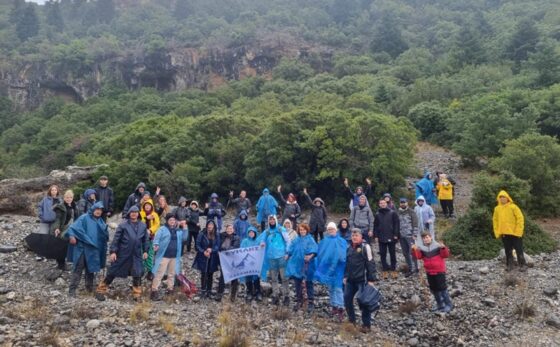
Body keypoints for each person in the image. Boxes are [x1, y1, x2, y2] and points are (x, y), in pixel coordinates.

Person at [95, 206, 149, 301]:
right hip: (123, 253)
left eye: (136, 212)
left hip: (136, 254)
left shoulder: (143, 225)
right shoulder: (123, 225)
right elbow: (116, 240)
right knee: (112, 271)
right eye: (132, 212)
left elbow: (145, 240)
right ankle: (100, 290)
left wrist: (145, 251)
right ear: (129, 213)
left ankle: (137, 295)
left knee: (137, 273)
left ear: (138, 213)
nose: (134, 213)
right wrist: (113, 252)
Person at [66, 201, 109, 297]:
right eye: (97, 209)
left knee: (91, 270)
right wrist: (71, 236)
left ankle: (89, 289)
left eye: (100, 210)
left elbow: (105, 237)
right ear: (93, 209)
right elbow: (72, 228)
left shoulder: (101, 222)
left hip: (93, 250)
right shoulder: (84, 217)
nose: (98, 212)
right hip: (82, 248)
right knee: (78, 269)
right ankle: (72, 291)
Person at [344, 229, 378, 333]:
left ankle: (366, 325)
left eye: (356, 235)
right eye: (353, 235)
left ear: (361, 237)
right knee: (346, 299)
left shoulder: (365, 247)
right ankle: (352, 320)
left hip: (362, 280)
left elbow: (370, 263)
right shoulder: (348, 247)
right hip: (350, 280)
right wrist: (345, 276)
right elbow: (347, 264)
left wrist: (371, 279)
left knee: (364, 302)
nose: (354, 237)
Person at [412, 231, 453, 313]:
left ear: (431, 237)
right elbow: (418, 257)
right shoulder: (422, 248)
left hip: (439, 271)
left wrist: (443, 248)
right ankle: (440, 305)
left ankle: (448, 305)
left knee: (442, 289)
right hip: (429, 272)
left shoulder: (438, 246)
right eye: (424, 238)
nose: (426, 239)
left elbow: (446, 255)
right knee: (434, 289)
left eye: (427, 237)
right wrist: (414, 250)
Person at [314, 222, 347, 322]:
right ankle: (334, 306)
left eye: (332, 229)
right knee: (331, 288)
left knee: (338, 288)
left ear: (336, 230)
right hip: (328, 268)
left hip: (338, 268)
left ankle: (341, 307)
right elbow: (320, 253)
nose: (330, 231)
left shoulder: (341, 241)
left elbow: (344, 255)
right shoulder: (324, 241)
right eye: (329, 229)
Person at [151, 213, 185, 301]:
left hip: (174, 256)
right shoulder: (162, 229)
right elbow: (156, 239)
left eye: (173, 220)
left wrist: (185, 228)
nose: (172, 221)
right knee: (159, 273)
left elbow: (184, 238)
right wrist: (156, 244)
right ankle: (154, 291)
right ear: (167, 221)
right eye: (170, 220)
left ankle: (170, 289)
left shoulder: (178, 230)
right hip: (164, 255)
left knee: (171, 274)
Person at [258, 215, 290, 305]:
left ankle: (286, 296)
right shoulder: (267, 231)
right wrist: (262, 243)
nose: (271, 221)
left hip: (282, 256)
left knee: (284, 278)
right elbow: (262, 240)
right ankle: (275, 295)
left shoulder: (281, 229)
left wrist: (287, 252)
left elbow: (288, 241)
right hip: (271, 257)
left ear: (275, 220)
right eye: (270, 220)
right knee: (274, 278)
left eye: (273, 219)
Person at [286, 223, 317, 313]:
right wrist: (288, 254)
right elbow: (291, 248)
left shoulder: (310, 239)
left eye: (303, 229)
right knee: (297, 283)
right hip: (297, 265)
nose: (302, 231)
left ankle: (310, 302)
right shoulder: (296, 239)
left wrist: (310, 256)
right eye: (300, 229)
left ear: (307, 230)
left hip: (308, 265)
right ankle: (299, 301)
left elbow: (315, 250)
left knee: (308, 283)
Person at [493, 190, 526, 272]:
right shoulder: (497, 209)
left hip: (515, 233)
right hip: (504, 233)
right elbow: (495, 221)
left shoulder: (513, 207)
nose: (502, 199)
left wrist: (518, 231)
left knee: (519, 249)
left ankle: (522, 265)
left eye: (503, 197)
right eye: (500, 197)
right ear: (498, 199)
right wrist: (497, 232)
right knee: (507, 250)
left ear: (507, 198)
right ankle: (509, 265)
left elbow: (520, 218)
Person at [50, 190, 79, 270]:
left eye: (70, 197)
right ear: (64, 197)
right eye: (67, 197)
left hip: (72, 229)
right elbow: (57, 219)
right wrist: (57, 228)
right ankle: (61, 264)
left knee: (70, 245)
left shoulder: (75, 206)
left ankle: (69, 262)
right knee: (60, 246)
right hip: (63, 228)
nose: (69, 199)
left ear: (73, 198)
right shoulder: (60, 207)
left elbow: (77, 218)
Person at [193, 220, 221, 298]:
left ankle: (209, 290)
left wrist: (212, 250)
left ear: (214, 226)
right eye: (209, 224)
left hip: (213, 257)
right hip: (203, 256)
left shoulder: (216, 234)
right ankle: (203, 290)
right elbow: (197, 244)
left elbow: (218, 245)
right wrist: (203, 251)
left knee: (210, 274)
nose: (210, 226)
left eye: (211, 225)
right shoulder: (202, 233)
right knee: (203, 273)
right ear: (206, 225)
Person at [374, 199, 400, 280]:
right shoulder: (377, 214)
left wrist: (396, 234)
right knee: (382, 254)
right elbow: (375, 226)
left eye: (384, 203)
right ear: (379, 204)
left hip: (391, 236)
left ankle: (393, 269)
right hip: (381, 237)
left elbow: (396, 224)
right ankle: (384, 269)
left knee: (392, 253)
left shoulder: (392, 212)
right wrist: (376, 236)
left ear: (387, 204)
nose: (382, 204)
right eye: (381, 203)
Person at [217, 224, 241, 302]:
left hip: (233, 260)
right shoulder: (221, 236)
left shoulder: (236, 237)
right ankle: (219, 294)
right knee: (222, 277)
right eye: (228, 229)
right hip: (223, 260)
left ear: (233, 230)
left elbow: (235, 247)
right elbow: (218, 245)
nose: (229, 230)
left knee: (234, 277)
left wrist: (225, 250)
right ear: (226, 229)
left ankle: (233, 295)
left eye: (231, 229)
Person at [397, 198, 419, 276]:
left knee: (412, 252)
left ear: (407, 203)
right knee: (405, 253)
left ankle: (416, 268)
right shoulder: (398, 212)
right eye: (401, 203)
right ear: (400, 204)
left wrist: (415, 234)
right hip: (401, 236)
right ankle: (410, 268)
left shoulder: (411, 211)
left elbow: (415, 223)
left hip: (410, 236)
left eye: (404, 202)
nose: (403, 204)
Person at [241, 226, 263, 302]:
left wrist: (262, 245)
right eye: (250, 232)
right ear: (248, 233)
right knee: (248, 277)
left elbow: (262, 248)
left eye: (252, 232)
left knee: (256, 277)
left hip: (255, 262)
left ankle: (258, 292)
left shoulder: (258, 241)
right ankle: (249, 292)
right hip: (247, 262)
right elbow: (241, 251)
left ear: (255, 233)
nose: (251, 234)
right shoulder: (244, 241)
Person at [140, 199, 160, 280]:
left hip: (151, 237)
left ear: (151, 206)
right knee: (142, 253)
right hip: (141, 238)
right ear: (143, 206)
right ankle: (142, 270)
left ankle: (150, 272)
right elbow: (139, 223)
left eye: (149, 205)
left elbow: (157, 224)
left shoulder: (154, 214)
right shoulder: (141, 214)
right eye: (146, 205)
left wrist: (150, 230)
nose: (147, 206)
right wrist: (146, 218)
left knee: (150, 254)